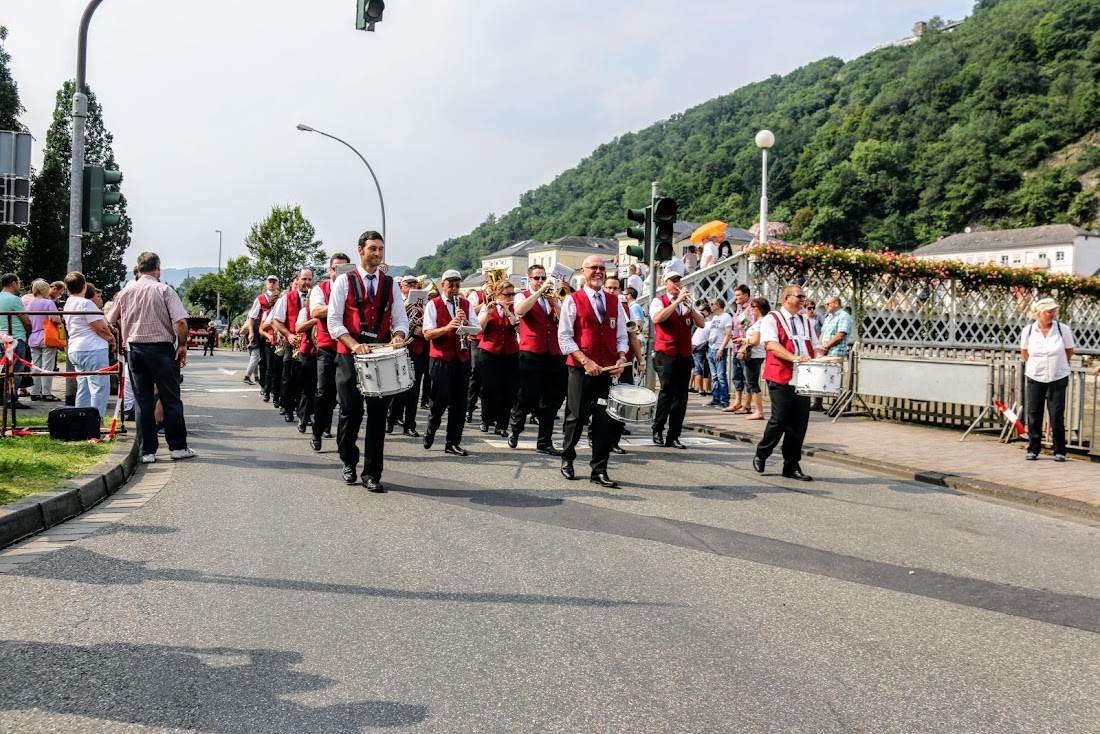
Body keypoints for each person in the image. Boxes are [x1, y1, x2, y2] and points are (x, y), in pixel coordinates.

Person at [328, 232, 407, 491]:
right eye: (372, 249)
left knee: (377, 416)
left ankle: (372, 473)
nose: (378, 254)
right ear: (360, 250)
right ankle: (348, 460)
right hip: (349, 355)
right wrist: (354, 344)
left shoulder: (391, 283)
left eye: (381, 249)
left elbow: (400, 319)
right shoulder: (344, 281)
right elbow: (334, 322)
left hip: (380, 355)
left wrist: (398, 335)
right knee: (351, 411)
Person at [106, 252, 196, 463]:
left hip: (135, 349)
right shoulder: (164, 290)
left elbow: (110, 319)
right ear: (158, 268)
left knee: (142, 400)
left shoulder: (125, 292)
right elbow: (181, 322)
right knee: (170, 399)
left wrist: (124, 332)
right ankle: (177, 447)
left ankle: (147, 451)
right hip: (162, 349)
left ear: (138, 268)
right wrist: (182, 345)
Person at [558, 255, 629, 487]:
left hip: (606, 370)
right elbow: (565, 338)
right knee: (576, 416)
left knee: (604, 420)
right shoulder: (572, 300)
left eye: (602, 268)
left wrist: (621, 357)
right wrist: (585, 361)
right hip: (581, 371)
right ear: (584, 271)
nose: (599, 272)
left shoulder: (614, 301)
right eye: (594, 268)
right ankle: (567, 458)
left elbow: (621, 335)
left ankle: (599, 470)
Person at [753, 284, 822, 481]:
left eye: (803, 296)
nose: (803, 299)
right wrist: (794, 357)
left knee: (799, 424)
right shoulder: (772, 319)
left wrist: (819, 359)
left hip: (803, 378)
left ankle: (791, 465)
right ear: (787, 298)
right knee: (780, 419)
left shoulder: (805, 321)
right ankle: (762, 452)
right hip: (781, 375)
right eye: (799, 296)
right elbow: (772, 345)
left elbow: (815, 346)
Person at [508, 265, 566, 454]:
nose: (541, 281)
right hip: (530, 353)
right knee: (528, 396)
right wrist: (540, 291)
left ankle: (544, 441)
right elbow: (520, 311)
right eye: (537, 278)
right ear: (530, 279)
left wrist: (555, 302)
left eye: (543, 278)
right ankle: (516, 428)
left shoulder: (552, 297)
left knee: (551, 399)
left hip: (553, 353)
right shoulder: (522, 295)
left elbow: (564, 319)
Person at [651, 262, 705, 449]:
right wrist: (676, 302)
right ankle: (657, 429)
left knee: (681, 397)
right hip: (665, 353)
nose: (676, 285)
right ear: (665, 283)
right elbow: (658, 318)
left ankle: (674, 435)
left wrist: (689, 307)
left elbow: (701, 324)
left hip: (684, 354)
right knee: (667, 392)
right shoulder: (659, 301)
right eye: (673, 282)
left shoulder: (687, 303)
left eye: (678, 281)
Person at [423, 269, 476, 457]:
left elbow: (476, 331)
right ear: (443, 285)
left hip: (461, 358)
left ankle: (452, 442)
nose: (454, 288)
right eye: (450, 284)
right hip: (440, 359)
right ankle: (431, 427)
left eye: (457, 284)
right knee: (439, 401)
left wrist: (466, 321)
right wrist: (448, 327)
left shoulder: (466, 304)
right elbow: (427, 333)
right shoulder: (433, 305)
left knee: (460, 403)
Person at [1020, 297, 1074, 462]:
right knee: (1034, 413)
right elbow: (1025, 353)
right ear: (1040, 313)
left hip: (1057, 377)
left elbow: (1069, 351)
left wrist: (1058, 365)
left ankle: (1060, 451)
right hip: (1036, 376)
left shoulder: (1062, 329)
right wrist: (1038, 365)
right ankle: (1033, 449)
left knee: (1056, 414)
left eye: (1054, 311)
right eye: (1049, 311)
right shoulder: (1029, 330)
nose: (1052, 314)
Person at [308, 253, 351, 452]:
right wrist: (341, 304)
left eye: (344, 269)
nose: (339, 273)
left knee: (346, 398)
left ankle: (343, 441)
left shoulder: (354, 288)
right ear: (330, 270)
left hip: (349, 348)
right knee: (324, 392)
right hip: (327, 347)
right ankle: (317, 432)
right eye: (336, 269)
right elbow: (316, 311)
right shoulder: (320, 289)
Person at [60, 272, 115, 421]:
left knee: (83, 387)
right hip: (93, 348)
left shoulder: (68, 303)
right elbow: (100, 327)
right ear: (84, 286)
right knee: (99, 386)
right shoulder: (86, 303)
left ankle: (81, 419)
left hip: (76, 348)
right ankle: (97, 420)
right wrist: (111, 339)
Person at [387, 274, 428, 438]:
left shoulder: (424, 305)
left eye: (415, 284)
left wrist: (423, 331)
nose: (413, 287)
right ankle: (391, 419)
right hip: (399, 348)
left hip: (417, 349)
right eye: (409, 284)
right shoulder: (396, 303)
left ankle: (410, 424)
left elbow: (431, 324)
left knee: (414, 389)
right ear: (402, 287)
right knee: (397, 388)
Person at [477, 280, 520, 437]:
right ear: (497, 294)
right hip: (489, 352)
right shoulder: (487, 307)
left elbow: (519, 328)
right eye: (506, 294)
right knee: (489, 387)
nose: (509, 297)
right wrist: (488, 312)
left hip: (510, 352)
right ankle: (486, 419)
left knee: (508, 390)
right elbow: (480, 330)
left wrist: (508, 311)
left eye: (512, 294)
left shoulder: (516, 308)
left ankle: (502, 424)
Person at [814, 294, 854, 411]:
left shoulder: (843, 316)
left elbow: (840, 335)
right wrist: (820, 345)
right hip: (825, 351)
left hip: (836, 351)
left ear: (836, 304)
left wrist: (827, 346)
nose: (826, 306)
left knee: (834, 378)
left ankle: (835, 405)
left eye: (828, 304)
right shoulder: (828, 317)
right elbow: (823, 333)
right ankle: (818, 403)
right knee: (820, 375)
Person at [25, 279, 63, 402]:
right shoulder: (48, 303)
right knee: (48, 366)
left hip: (33, 337)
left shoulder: (30, 304)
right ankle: (47, 393)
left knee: (35, 366)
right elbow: (55, 319)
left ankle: (34, 392)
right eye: (47, 289)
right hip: (47, 337)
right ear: (43, 290)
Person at [246, 276, 281, 404]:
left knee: (274, 361)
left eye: (274, 282)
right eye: (270, 282)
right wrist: (251, 332)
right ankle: (264, 384)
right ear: (266, 284)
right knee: (264, 360)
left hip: (276, 330)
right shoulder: (260, 299)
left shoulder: (281, 297)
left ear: (277, 283)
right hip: (263, 330)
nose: (272, 284)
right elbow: (252, 316)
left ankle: (272, 387)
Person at [0, 273, 32, 409]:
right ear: (13, 283)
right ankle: (12, 398)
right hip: (15, 339)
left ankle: (2, 397)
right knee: (16, 371)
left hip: (1, 337)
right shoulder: (14, 300)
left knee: (2, 370)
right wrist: (28, 332)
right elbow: (26, 321)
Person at [738, 297, 770, 420]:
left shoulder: (760, 322)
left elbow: (756, 341)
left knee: (752, 382)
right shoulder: (762, 321)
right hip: (758, 354)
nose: (751, 309)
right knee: (751, 382)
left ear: (759, 308)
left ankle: (759, 411)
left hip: (754, 354)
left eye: (753, 307)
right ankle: (756, 409)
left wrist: (743, 339)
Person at [727, 285, 753, 413]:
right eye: (735, 295)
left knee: (746, 376)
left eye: (738, 295)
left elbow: (747, 326)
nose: (736, 298)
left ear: (746, 296)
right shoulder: (739, 309)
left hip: (745, 346)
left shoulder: (750, 309)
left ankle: (747, 404)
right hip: (737, 346)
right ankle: (737, 402)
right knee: (737, 375)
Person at [707, 297, 733, 409]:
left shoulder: (726, 317)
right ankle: (715, 398)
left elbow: (728, 333)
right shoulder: (714, 318)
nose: (710, 306)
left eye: (712, 304)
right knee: (715, 376)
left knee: (721, 375)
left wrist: (721, 349)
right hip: (712, 347)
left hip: (719, 348)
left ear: (717, 305)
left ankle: (724, 400)